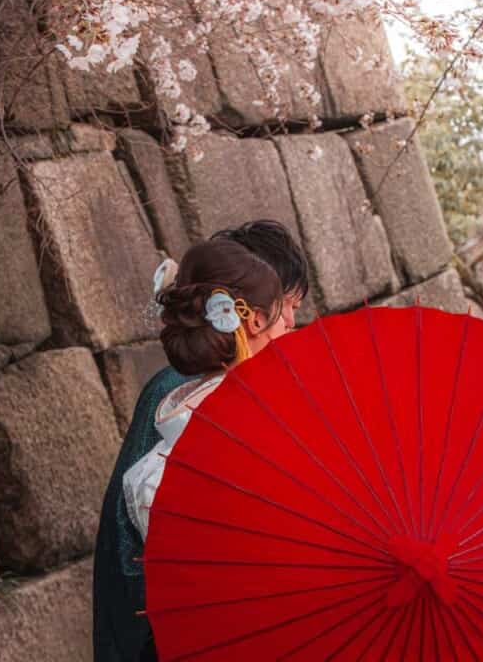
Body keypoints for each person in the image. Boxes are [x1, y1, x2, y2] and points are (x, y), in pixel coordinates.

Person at [92, 220, 309, 662]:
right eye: (287, 305)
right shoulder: (193, 410)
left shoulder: (182, 399)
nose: (292, 322)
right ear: (252, 318)